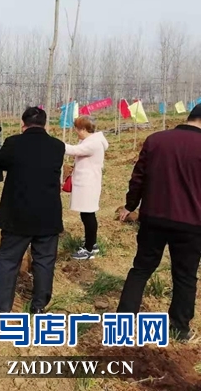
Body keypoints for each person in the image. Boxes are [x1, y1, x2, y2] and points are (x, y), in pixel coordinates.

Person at [116, 104, 201, 341]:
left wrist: (131, 205)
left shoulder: (156, 140)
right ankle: (179, 328)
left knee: (141, 268)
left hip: (153, 217)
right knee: (185, 275)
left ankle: (123, 319)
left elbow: (138, 178)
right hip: (191, 223)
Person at [0, 107, 65, 314]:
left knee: (9, 260)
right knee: (44, 262)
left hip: (17, 214)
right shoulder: (57, 146)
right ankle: (39, 306)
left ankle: (2, 306)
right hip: (48, 214)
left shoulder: (14, 142)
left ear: (23, 123)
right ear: (45, 124)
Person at [64, 116, 109, 260]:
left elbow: (74, 150)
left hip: (88, 183)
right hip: (88, 182)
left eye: (77, 129)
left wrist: (55, 144)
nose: (76, 132)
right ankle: (91, 242)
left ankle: (89, 249)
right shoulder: (91, 141)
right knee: (87, 214)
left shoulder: (93, 143)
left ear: (83, 129)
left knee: (88, 215)